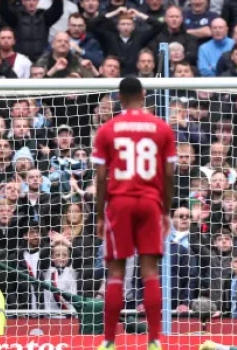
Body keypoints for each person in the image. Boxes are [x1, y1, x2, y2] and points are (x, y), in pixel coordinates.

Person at [92, 76, 177, 350]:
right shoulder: (161, 128)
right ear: (143, 94)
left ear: (118, 97)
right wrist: (166, 210)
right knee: (150, 271)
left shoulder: (108, 129)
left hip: (120, 202)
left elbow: (102, 176)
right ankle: (154, 340)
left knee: (116, 272)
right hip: (150, 202)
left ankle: (108, 341)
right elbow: (168, 173)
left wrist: (100, 214)